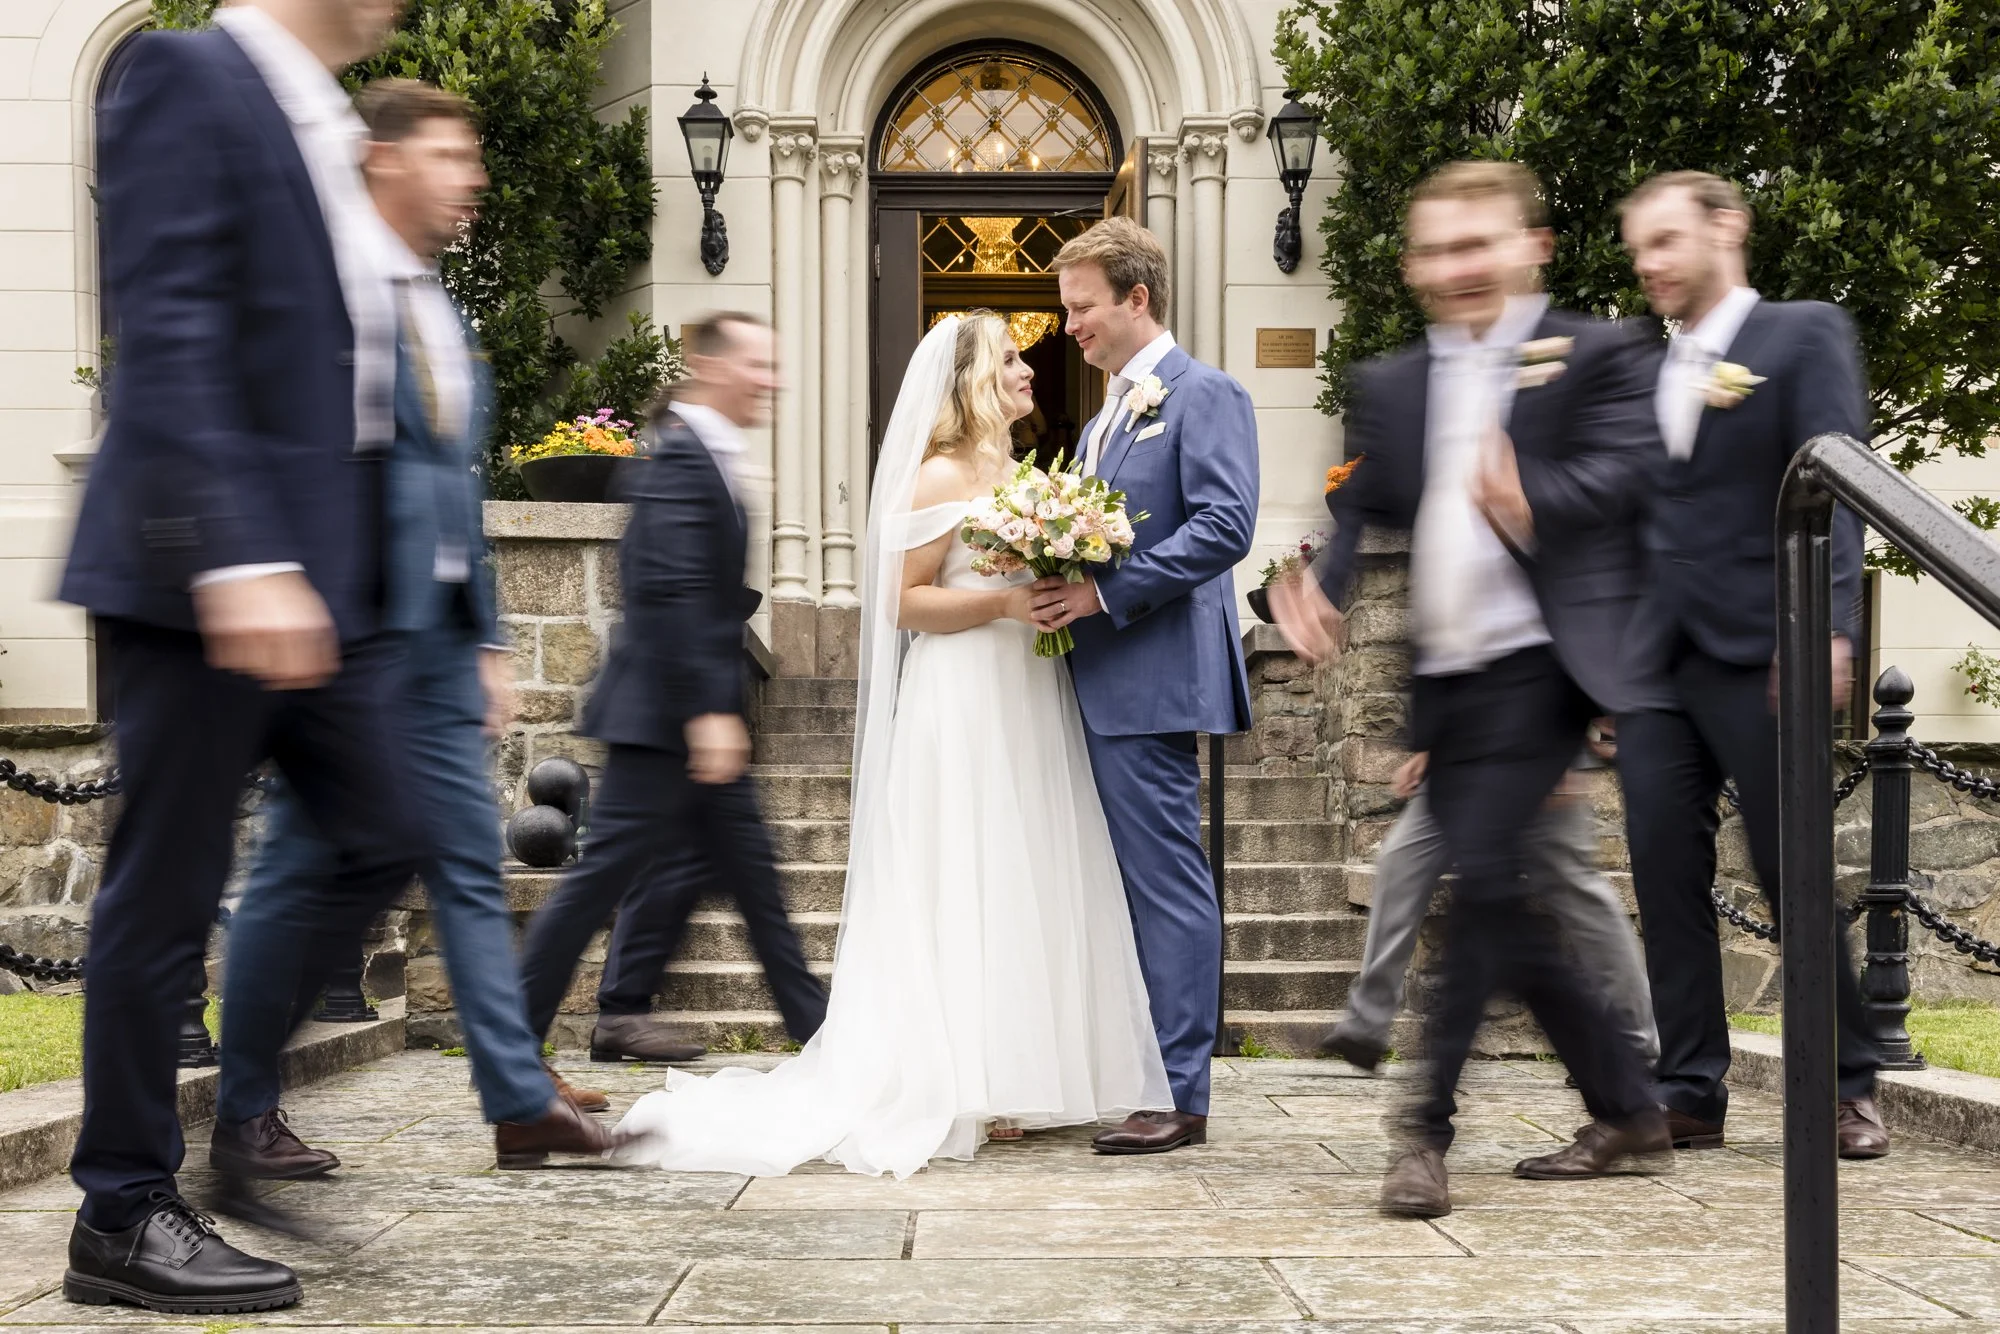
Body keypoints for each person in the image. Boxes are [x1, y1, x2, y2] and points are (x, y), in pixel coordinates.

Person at [603, 311, 1172, 1177]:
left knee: (1022, 869)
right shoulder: (941, 473)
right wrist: (1007, 602)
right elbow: (903, 602)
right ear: (975, 379)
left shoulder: (1012, 470)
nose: (1029, 371)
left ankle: (1016, 1074)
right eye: (1013, 360)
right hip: (965, 696)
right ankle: (958, 1074)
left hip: (1025, 689)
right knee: (966, 872)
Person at [56, 0, 422, 1313]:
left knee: (390, 826)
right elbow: (169, 325)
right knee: (162, 893)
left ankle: (241, 1119)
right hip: (201, 573)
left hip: (315, 583)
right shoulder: (187, 71)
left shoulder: (326, 124)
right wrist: (234, 552)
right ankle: (121, 1210)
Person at [207, 79, 617, 1209]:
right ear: (384, 161)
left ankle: (503, 1090)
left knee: (426, 868)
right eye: (449, 154)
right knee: (308, 873)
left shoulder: (436, 302)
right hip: (350, 634)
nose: (471, 175)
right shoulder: (334, 286)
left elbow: (452, 481)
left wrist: (482, 633)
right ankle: (268, 1107)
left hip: (432, 641)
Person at [1271, 160, 1666, 1217]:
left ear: (1531, 244)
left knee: (1482, 883)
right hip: (1446, 682)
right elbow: (1366, 507)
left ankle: (1420, 1135)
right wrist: (1320, 580)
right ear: (1409, 265)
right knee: (1500, 897)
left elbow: (1628, 479)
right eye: (1437, 250)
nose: (1457, 268)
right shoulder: (1393, 384)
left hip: (1543, 667)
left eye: (1477, 243)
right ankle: (1626, 1099)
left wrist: (1526, 494)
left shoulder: (1596, 354)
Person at [1616, 170, 1887, 1158]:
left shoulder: (1800, 333)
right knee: (1662, 871)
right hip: (1654, 664)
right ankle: (1688, 1085)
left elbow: (1842, 483)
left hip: (1763, 647)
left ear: (1725, 228)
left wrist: (1829, 624)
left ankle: (1846, 1082)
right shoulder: (1647, 365)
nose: (1646, 263)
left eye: (1662, 241)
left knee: (1790, 870)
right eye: (1636, 247)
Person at [515, 313, 829, 1123]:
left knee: (756, 886)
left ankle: (826, 1047)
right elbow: (669, 592)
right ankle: (510, 1065)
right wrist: (707, 715)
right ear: (711, 365)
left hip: (684, 716)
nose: (772, 380)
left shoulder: (707, 453)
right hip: (666, 723)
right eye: (758, 365)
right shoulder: (678, 458)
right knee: (595, 888)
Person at [1027, 217, 1261, 1155]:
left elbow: (1226, 526)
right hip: (1093, 675)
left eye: (1082, 308)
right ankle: (1137, 1069)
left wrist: (1100, 592)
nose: (1070, 327)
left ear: (1136, 297)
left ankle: (1181, 1090)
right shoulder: (1098, 420)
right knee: (1124, 883)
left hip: (1154, 674)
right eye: (1066, 310)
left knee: (1166, 883)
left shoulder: (1206, 394)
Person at [1321, 743, 1658, 1074]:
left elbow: (1574, 686)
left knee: (1577, 888)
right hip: (1460, 759)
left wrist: (1560, 753)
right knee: (1399, 861)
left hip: (1537, 755)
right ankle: (1366, 1026)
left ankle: (1636, 1045)